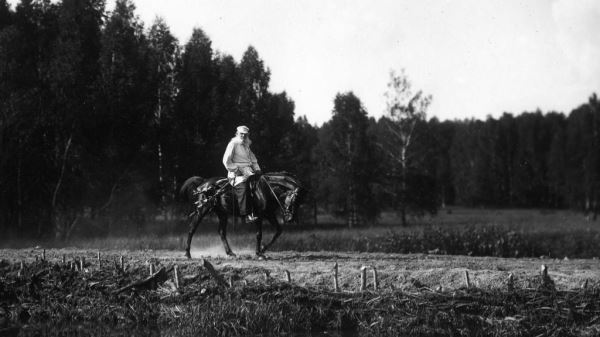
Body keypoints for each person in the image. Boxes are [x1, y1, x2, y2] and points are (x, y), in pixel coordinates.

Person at [222, 125, 261, 222]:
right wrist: (235, 170)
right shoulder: (233, 144)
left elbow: (253, 159)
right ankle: (247, 215)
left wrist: (257, 169)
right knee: (244, 187)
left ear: (248, 135)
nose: (243, 136)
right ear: (237, 133)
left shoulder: (246, 145)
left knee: (261, 184)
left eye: (245, 134)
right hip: (236, 173)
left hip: (248, 171)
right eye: (241, 134)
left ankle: (260, 210)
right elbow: (226, 160)